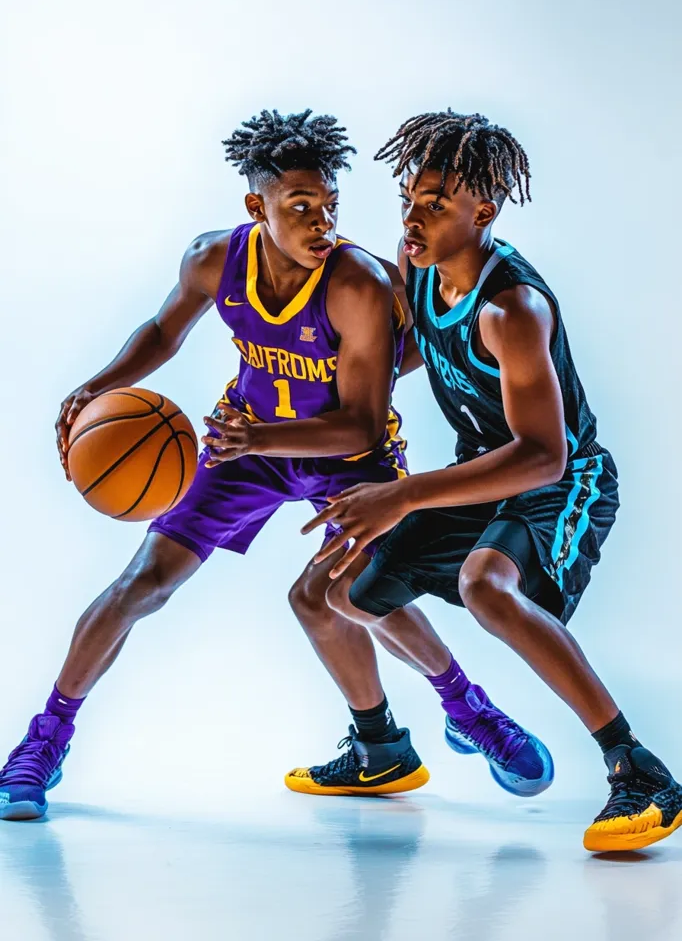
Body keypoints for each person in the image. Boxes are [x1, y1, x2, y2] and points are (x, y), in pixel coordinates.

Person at [0, 110, 550, 821]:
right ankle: (44, 740)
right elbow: (164, 332)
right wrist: (95, 387)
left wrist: (258, 438)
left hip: (344, 454)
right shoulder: (212, 259)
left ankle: (467, 708)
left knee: (355, 590)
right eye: (301, 207)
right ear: (256, 207)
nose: (322, 222)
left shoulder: (357, 282)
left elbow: (359, 421)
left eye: (330, 206)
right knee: (142, 582)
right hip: (249, 447)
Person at [301, 110, 682, 853]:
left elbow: (544, 454)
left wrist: (404, 494)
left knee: (486, 586)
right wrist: (335, 399)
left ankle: (637, 769)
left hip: (562, 478)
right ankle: (415, 734)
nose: (412, 218)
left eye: (435, 203)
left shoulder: (513, 309)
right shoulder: (417, 264)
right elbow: (422, 347)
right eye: (408, 199)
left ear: (484, 212)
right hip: (481, 469)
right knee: (339, 589)